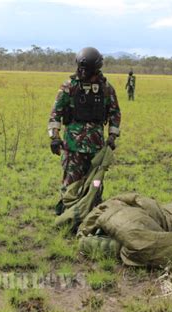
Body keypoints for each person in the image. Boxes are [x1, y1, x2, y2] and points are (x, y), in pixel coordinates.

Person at [47, 47, 121, 213]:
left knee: (95, 182)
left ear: (95, 69)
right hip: (72, 148)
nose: (81, 72)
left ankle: (93, 212)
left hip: (96, 149)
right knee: (70, 183)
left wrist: (112, 136)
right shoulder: (69, 87)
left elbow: (115, 113)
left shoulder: (106, 89)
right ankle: (67, 214)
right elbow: (55, 113)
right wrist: (54, 137)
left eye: (85, 69)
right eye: (79, 68)